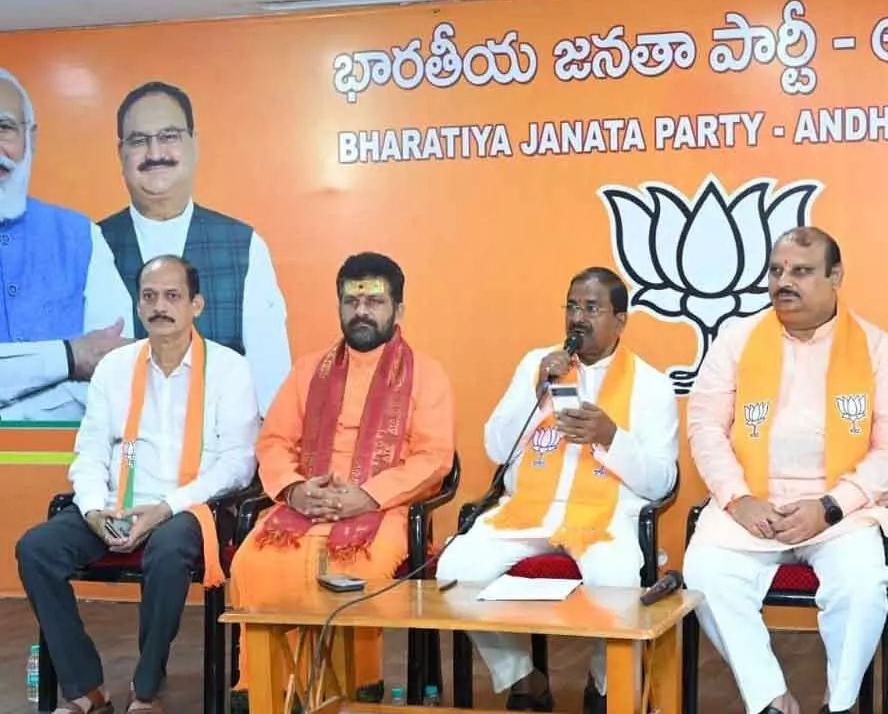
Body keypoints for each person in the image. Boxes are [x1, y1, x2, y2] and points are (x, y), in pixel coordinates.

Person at [681, 227, 888, 714]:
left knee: (861, 586)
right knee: (705, 574)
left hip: (840, 509)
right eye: (776, 271)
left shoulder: (879, 350)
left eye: (801, 271)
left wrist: (832, 506)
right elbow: (704, 426)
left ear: (836, 276)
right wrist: (737, 497)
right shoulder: (737, 339)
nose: (783, 282)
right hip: (752, 506)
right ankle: (771, 699)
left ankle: (840, 702)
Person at [15, 254, 259, 713]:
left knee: (167, 553)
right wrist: (92, 509)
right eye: (149, 296)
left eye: (172, 296)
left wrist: (165, 507)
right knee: (36, 548)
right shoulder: (116, 367)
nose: (159, 306)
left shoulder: (229, 369)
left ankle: (146, 690)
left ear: (196, 305)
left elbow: (237, 466)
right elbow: (89, 450)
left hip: (190, 509)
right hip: (113, 506)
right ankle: (86, 687)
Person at [436, 266, 679, 713]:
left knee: (619, 580)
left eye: (591, 308)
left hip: (603, 520)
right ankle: (524, 679)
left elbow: (662, 480)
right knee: (454, 572)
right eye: (571, 307)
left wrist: (611, 437)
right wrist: (536, 392)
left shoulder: (652, 386)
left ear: (620, 320)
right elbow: (496, 445)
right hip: (529, 512)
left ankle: (605, 686)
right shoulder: (538, 365)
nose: (577, 318)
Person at [228, 252, 456, 710]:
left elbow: (434, 457)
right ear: (339, 306)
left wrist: (367, 496)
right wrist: (295, 489)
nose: (362, 311)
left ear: (398, 310)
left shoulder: (426, 374)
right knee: (253, 562)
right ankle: (265, 689)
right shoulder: (308, 370)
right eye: (352, 301)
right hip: (304, 503)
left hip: (382, 510)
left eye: (374, 301)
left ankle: (356, 685)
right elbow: (273, 441)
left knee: (355, 569)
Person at [99, 81, 289, 416]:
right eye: (139, 141)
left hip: (221, 456)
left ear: (193, 144)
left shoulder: (243, 246)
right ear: (120, 153)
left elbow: (270, 389)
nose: (155, 152)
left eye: (169, 136)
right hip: (122, 455)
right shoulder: (91, 245)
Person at [0, 67, 132, 421]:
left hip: (67, 464)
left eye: (4, 128)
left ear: (32, 138)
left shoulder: (80, 235)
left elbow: (112, 369)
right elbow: (87, 361)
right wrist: (70, 358)